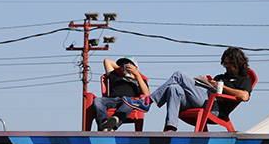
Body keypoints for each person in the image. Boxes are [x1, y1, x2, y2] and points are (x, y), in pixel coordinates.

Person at [123, 47, 252, 131]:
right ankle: (170, 129)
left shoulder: (243, 80)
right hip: (203, 100)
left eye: (230, 63)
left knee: (179, 75)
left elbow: (244, 96)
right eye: (225, 63)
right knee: (173, 88)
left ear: (238, 63)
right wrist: (206, 83)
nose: (227, 66)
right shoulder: (221, 76)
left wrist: (222, 87)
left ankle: (148, 102)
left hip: (214, 108)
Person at [93, 57, 149, 131]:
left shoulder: (139, 81)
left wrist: (137, 73)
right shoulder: (116, 77)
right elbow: (107, 61)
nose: (124, 67)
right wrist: (123, 68)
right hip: (111, 100)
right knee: (97, 100)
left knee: (130, 103)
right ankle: (104, 123)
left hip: (127, 101)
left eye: (128, 65)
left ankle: (113, 122)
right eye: (122, 65)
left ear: (135, 67)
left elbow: (147, 94)